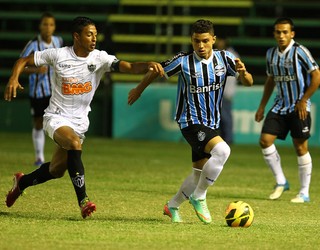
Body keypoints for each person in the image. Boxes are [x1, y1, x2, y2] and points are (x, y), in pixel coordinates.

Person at [4, 16, 164, 219]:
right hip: (56, 117)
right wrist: (13, 77)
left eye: (96, 35)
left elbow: (129, 67)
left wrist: (148, 64)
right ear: (76, 36)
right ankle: (84, 201)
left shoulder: (99, 58)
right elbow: (24, 60)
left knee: (56, 170)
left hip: (80, 122)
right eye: (89, 34)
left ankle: (22, 182)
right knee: (73, 143)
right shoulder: (58, 54)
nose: (94, 39)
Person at [128, 19, 253, 223]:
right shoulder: (183, 61)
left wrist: (243, 72)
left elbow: (248, 83)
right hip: (190, 121)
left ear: (213, 39)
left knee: (198, 174)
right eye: (196, 41)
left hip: (212, 122)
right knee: (223, 151)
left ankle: (172, 205)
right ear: (191, 40)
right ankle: (199, 196)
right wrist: (138, 90)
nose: (201, 46)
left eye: (205, 41)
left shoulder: (226, 58)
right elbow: (157, 69)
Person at [255, 17, 320, 203]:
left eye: (285, 32)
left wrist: (304, 99)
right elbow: (270, 80)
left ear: (292, 33)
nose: (281, 35)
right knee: (265, 140)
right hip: (279, 105)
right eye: (278, 32)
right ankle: (281, 181)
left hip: (299, 107)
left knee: (300, 147)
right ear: (274, 33)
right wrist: (262, 106)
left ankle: (304, 192)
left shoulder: (300, 52)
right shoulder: (271, 54)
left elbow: (317, 75)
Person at [21, 12, 63, 167]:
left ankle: (59, 158)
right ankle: (39, 157)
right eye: (45, 24)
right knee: (38, 122)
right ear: (40, 26)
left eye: (51, 24)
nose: (48, 27)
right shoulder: (33, 45)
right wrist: (35, 70)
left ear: (54, 27)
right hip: (37, 92)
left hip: (56, 91)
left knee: (59, 123)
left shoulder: (58, 41)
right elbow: (21, 65)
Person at [214, 37, 240, 144]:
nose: (219, 42)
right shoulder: (217, 53)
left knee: (225, 117)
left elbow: (237, 73)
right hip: (217, 91)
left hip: (225, 90)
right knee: (219, 117)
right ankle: (222, 139)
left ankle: (228, 139)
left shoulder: (231, 55)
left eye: (221, 40)